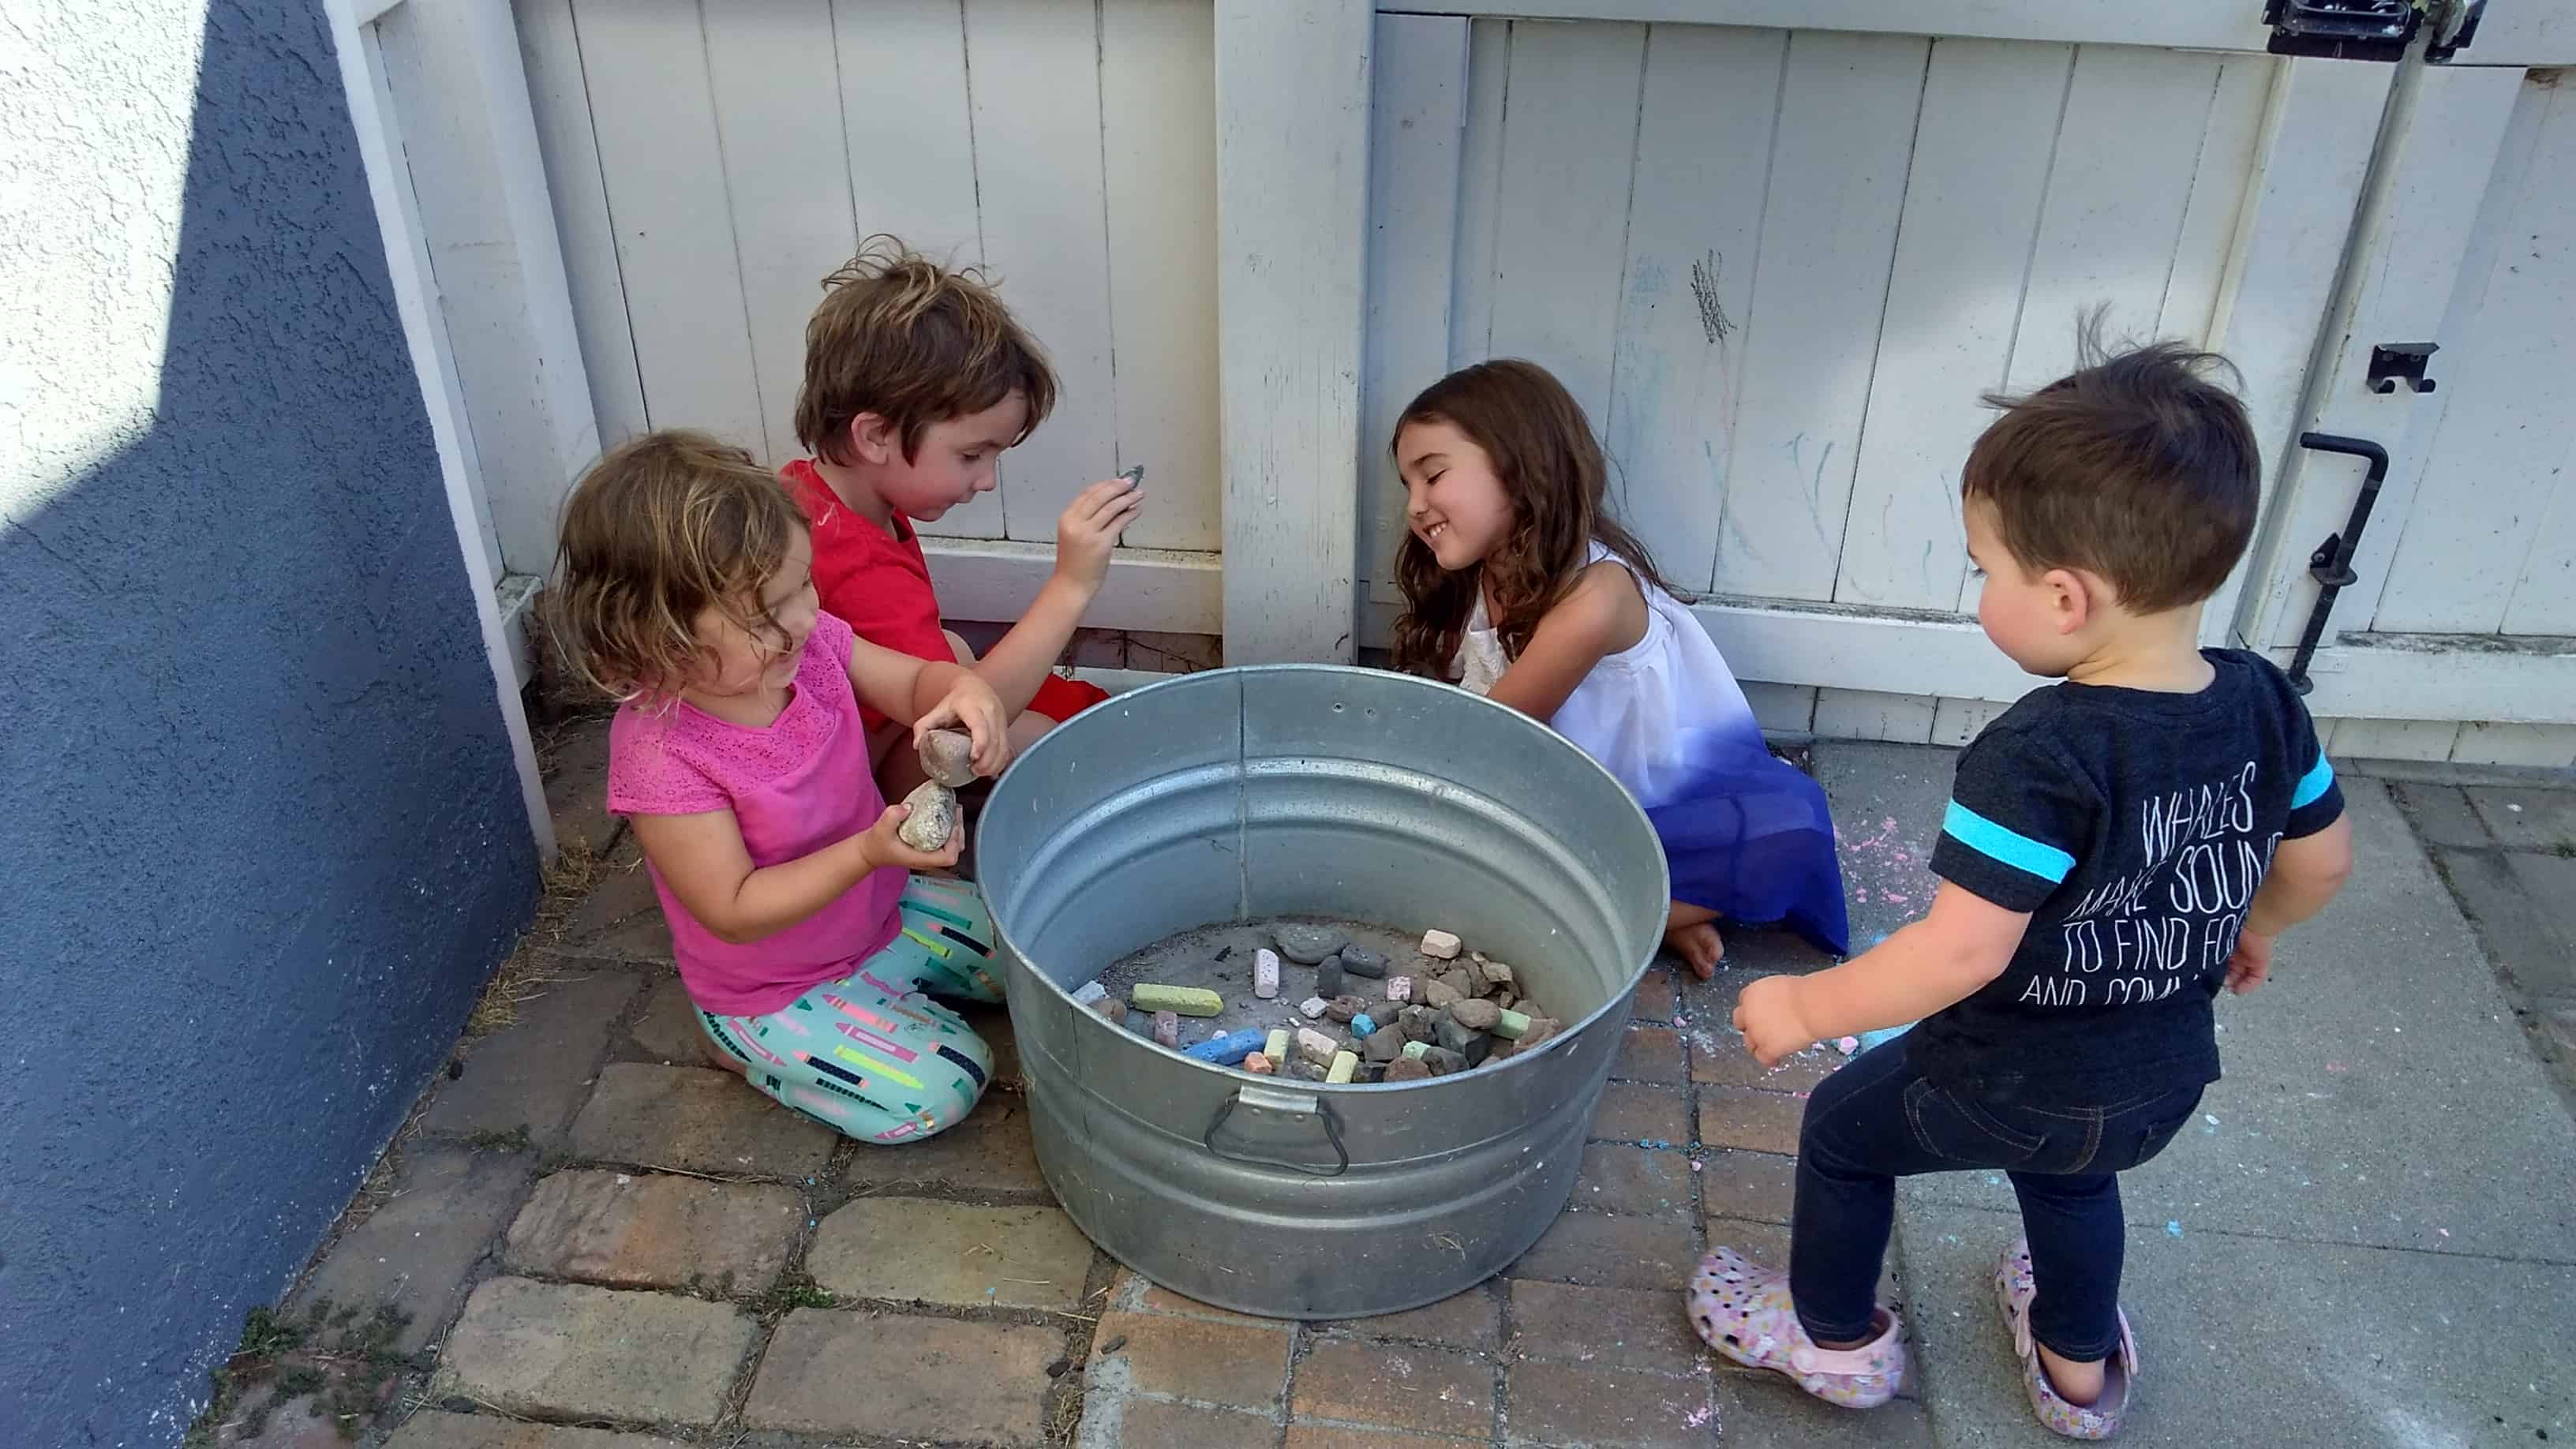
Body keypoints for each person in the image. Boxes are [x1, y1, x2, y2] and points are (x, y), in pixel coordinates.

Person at [1693, 333, 2355, 1439]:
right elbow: (2322, 861)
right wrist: (2253, 925)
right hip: (2160, 1079)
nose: (1980, 591)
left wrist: (1808, 1006)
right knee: (2075, 1179)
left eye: (1982, 568)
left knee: (1846, 1135)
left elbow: (1963, 951)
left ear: (2063, 596)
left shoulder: (2040, 753)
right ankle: (2076, 1373)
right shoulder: (2264, 702)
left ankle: (1833, 1339)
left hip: (2006, 1073)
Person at [549, 429, 1020, 1144]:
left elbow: (908, 680)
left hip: (879, 912)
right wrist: (868, 852)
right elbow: (735, 909)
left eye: (803, 584)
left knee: (1025, 952)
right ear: (657, 636)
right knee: (951, 1082)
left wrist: (961, 689)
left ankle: (884, 998)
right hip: (777, 987)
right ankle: (748, 1051)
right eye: (767, 611)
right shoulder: (664, 756)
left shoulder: (811, 645)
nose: (802, 617)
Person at [1387, 358, 1850, 976]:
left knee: (1788, 834)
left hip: (1660, 807)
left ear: (1518, 468)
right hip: (1565, 804)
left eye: (1433, 476)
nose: (1415, 507)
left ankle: (1638, 917)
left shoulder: (1596, 598)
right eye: (1406, 486)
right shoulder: (1479, 575)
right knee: (1479, 859)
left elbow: (1485, 740)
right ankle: (1653, 918)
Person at [781, 235, 1143, 799]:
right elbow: (957, 719)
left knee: (949, 649)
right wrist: (1072, 584)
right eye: (971, 455)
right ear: (875, 435)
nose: (986, 480)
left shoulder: (810, 499)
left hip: (838, 738)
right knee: (1039, 737)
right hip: (844, 794)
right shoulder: (857, 569)